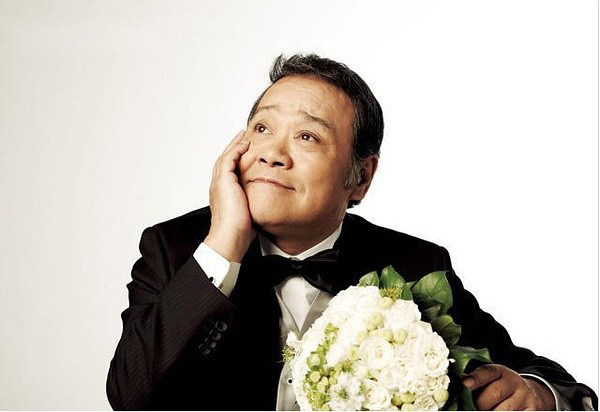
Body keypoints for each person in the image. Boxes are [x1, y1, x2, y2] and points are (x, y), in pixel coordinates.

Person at [106, 54, 597, 411]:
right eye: (261, 129)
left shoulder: (416, 266)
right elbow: (131, 396)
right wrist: (223, 244)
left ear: (361, 176)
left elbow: (550, 380)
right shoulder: (174, 249)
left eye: (307, 136)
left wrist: (540, 395)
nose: (272, 153)